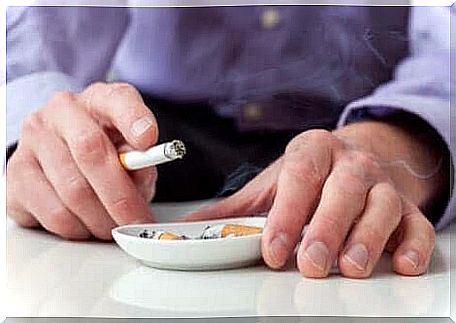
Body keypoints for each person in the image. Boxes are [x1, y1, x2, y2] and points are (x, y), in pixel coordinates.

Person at [5, 4, 454, 279]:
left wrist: (400, 140)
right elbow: (42, 37)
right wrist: (47, 144)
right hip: (157, 130)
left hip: (365, 134)